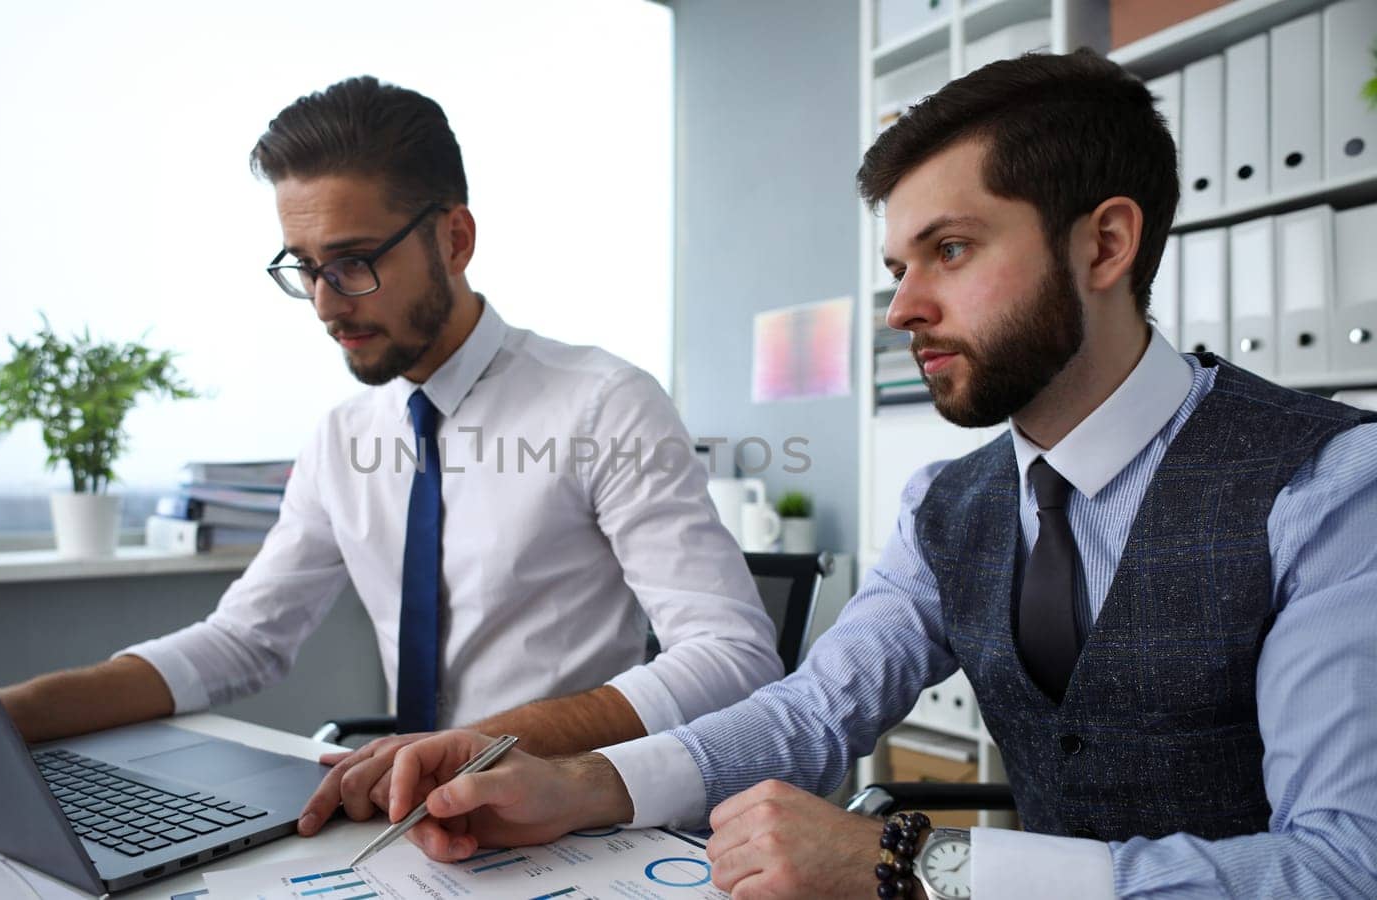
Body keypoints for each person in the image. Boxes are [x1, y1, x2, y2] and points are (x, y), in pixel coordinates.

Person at [381, 50, 1377, 899]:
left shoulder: (1330, 486)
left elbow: (1343, 867)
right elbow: (815, 710)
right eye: (899, 265)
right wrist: (583, 783)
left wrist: (918, 866)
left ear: (1105, 245)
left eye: (949, 249)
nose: (900, 308)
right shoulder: (949, 505)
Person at [0, 76, 782, 839]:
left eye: (352, 262)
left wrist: (485, 744)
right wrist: (11, 710)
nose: (326, 302)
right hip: (407, 825)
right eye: (303, 267)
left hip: (565, 822)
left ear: (456, 239)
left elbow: (732, 655)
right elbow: (245, 639)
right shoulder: (342, 436)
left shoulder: (602, 402)